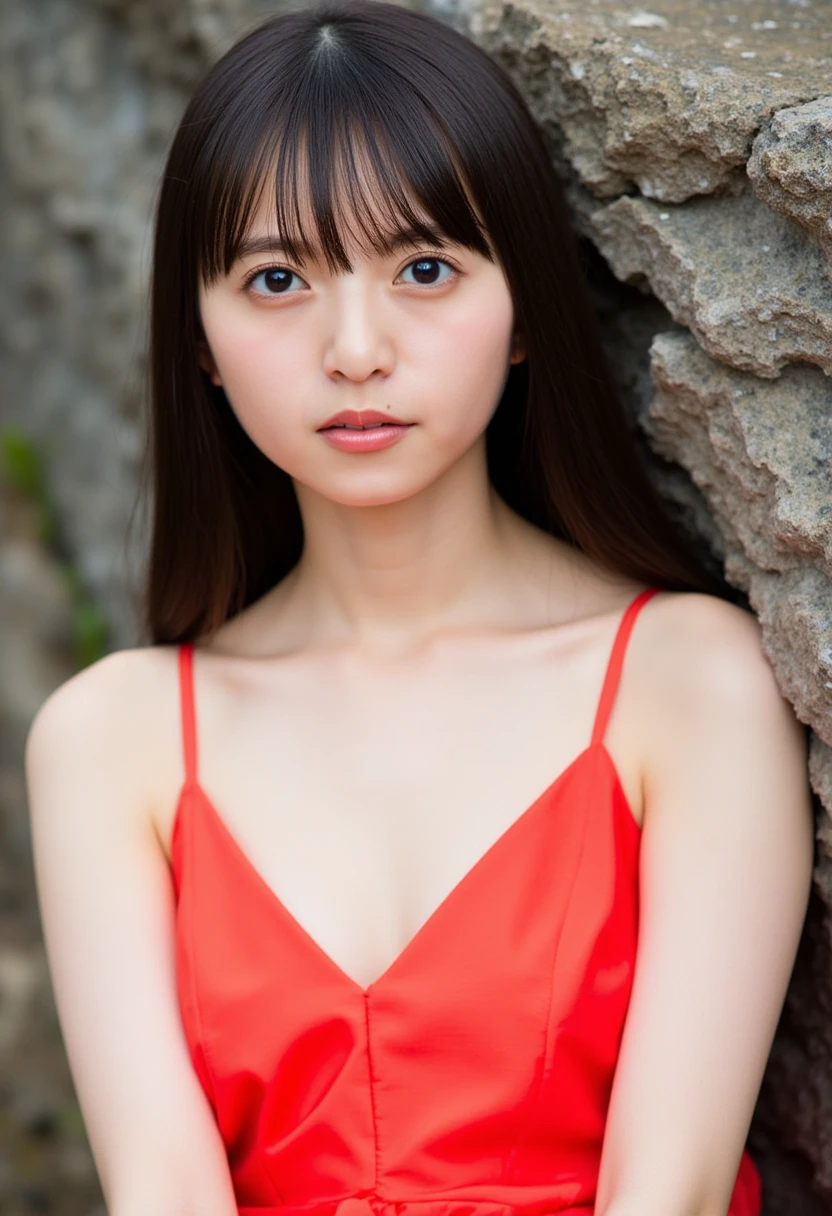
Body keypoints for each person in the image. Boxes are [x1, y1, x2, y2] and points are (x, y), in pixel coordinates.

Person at [24, 2, 814, 1214]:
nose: (355, 348)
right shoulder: (110, 740)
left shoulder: (686, 684)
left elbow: (674, 1187)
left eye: (425, 269)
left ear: (523, 309)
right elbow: (162, 1188)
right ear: (199, 339)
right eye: (277, 279)